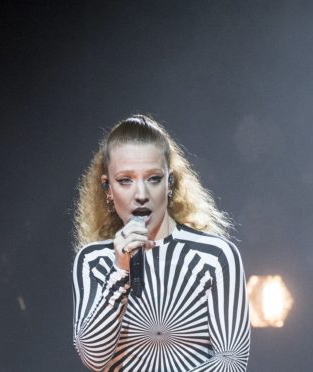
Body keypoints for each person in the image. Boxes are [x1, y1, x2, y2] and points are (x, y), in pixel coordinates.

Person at [72, 115, 250, 371]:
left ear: (170, 182)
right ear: (108, 188)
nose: (141, 195)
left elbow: (232, 361)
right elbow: (94, 358)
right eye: (125, 180)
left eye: (153, 178)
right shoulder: (93, 260)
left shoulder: (215, 256)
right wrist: (120, 271)